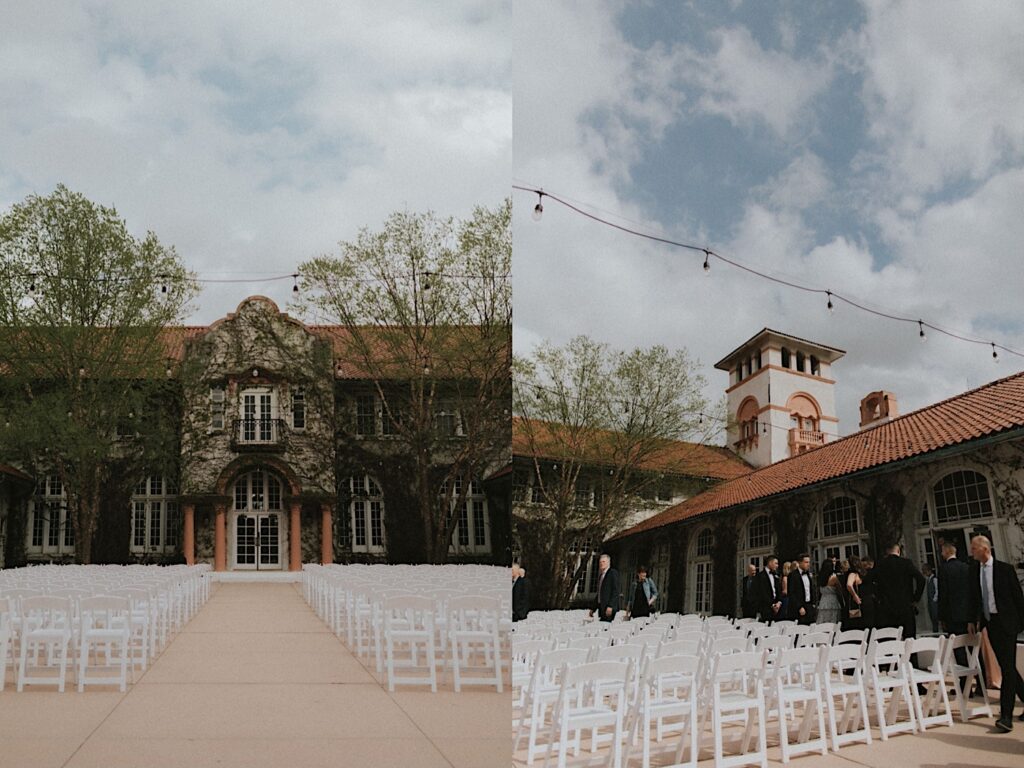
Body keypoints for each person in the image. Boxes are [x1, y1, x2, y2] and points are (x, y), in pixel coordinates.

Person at [968, 534, 1024, 733]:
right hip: (990, 624)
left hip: (1007, 622)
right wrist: (973, 621)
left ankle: (1006, 716)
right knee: (1006, 665)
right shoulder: (975, 570)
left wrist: (1020, 623)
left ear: (985, 549)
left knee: (1007, 669)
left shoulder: (1004, 570)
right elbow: (975, 597)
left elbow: (1018, 597)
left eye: (974, 548)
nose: (971, 552)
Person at [938, 541, 976, 695]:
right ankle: (979, 683)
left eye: (942, 552)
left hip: (953, 615)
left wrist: (942, 617)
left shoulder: (944, 569)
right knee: (974, 650)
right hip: (967, 615)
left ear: (947, 552)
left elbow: (943, 594)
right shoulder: (966, 568)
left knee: (959, 650)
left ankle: (965, 684)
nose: (941, 554)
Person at [874, 543, 926, 639]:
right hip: (905, 605)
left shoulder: (880, 564)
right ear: (898, 551)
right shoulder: (906, 563)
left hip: (887, 607)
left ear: (887, 552)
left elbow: (871, 581)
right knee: (909, 639)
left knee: (890, 641)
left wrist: (879, 597)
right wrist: (915, 598)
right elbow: (921, 579)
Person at [787, 553, 818, 624]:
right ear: (800, 563)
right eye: (806, 562)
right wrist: (799, 607)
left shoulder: (808, 575)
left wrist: (813, 604)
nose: (808, 564)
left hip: (809, 607)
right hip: (798, 608)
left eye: (809, 562)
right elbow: (791, 593)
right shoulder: (793, 575)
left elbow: (811, 590)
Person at [589, 553, 620, 622]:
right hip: (602, 607)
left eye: (603, 562)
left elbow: (615, 590)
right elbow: (600, 593)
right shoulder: (601, 576)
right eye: (600, 562)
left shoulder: (612, 573)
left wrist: (611, 606)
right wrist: (593, 608)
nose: (601, 564)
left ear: (608, 563)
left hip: (609, 608)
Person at [816, 559, 843, 625]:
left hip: (823, 601)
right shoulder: (833, 578)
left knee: (823, 621)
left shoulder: (820, 577)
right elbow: (839, 590)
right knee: (832, 622)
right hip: (832, 601)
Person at [757, 556, 783, 623]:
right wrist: (772, 605)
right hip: (766, 608)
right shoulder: (760, 576)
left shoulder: (776, 575)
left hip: (778, 607)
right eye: (776, 563)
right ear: (770, 563)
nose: (777, 566)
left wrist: (779, 602)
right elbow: (762, 593)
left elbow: (779, 590)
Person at [923, 563, 939, 633]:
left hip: (934, 601)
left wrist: (934, 599)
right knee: (932, 616)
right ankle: (934, 630)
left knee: (935, 616)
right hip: (930, 601)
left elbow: (937, 589)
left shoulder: (934, 579)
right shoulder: (928, 580)